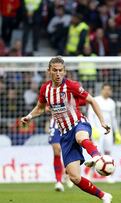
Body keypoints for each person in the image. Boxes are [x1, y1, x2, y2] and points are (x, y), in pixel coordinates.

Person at [20, 56, 112, 203]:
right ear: (49, 71)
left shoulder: (71, 85)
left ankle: (96, 156)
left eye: (60, 71)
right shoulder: (45, 89)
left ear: (64, 71)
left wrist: (102, 121)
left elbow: (92, 100)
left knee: (81, 138)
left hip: (78, 123)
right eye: (55, 70)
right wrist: (29, 116)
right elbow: (40, 108)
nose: (58, 73)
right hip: (64, 134)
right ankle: (103, 196)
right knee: (74, 177)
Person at [87, 83, 121, 183]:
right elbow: (90, 115)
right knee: (97, 154)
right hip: (97, 131)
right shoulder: (95, 100)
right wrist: (93, 129)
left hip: (108, 131)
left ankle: (108, 176)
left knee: (108, 153)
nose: (107, 91)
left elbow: (113, 118)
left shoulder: (112, 103)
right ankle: (90, 175)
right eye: (105, 89)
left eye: (108, 89)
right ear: (102, 90)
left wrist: (117, 132)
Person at [48, 117, 74, 191]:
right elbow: (45, 108)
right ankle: (58, 181)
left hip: (69, 122)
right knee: (57, 150)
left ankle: (68, 174)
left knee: (68, 150)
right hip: (55, 123)